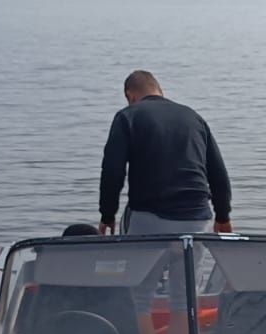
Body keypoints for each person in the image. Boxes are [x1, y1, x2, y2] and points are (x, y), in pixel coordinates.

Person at [98, 70, 232, 236]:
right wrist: (223, 216)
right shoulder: (194, 117)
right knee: (187, 262)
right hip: (197, 219)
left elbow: (113, 171)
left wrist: (107, 214)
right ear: (160, 91)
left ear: (130, 96)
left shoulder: (127, 116)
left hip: (150, 218)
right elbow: (218, 174)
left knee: (136, 258)